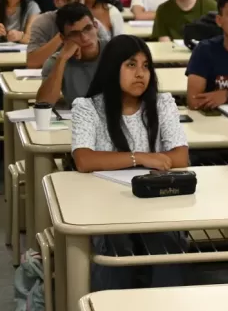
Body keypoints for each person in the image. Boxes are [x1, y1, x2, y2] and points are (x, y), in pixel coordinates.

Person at [71, 35, 189, 290]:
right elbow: (84, 159)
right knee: (116, 246)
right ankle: (111, 309)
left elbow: (180, 156)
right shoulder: (88, 107)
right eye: (131, 65)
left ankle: (167, 306)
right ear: (112, 68)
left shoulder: (162, 103)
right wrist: (141, 157)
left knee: (166, 243)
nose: (140, 74)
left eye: (146, 66)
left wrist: (131, 161)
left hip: (156, 204)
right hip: (107, 207)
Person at [27, 0, 109, 69]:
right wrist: (64, 35)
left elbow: (109, 57)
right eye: (67, 0)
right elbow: (32, 63)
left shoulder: (92, 25)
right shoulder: (43, 22)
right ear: (56, 1)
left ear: (84, 0)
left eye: (78, 0)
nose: (72, 4)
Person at [37, 3, 109, 106]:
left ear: (96, 26)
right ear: (63, 38)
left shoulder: (117, 51)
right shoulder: (56, 62)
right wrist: (62, 59)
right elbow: (44, 104)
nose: (84, 38)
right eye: (74, 34)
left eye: (87, 28)